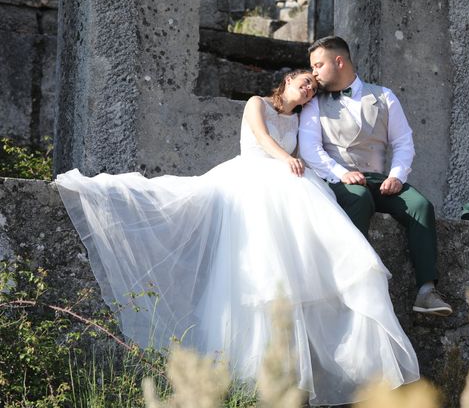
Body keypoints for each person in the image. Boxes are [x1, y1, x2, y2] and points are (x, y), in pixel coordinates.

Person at [55, 69, 420, 406]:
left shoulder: (299, 119)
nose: (309, 89)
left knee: (295, 257)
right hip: (250, 177)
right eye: (304, 81)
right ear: (288, 81)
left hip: (281, 181)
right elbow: (261, 138)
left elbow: (302, 153)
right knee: (246, 259)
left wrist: (297, 162)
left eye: (312, 87)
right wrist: (287, 159)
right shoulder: (256, 103)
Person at [299, 36, 452, 316]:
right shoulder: (313, 103)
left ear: (339, 61)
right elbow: (310, 149)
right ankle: (353, 284)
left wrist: (396, 175)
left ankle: (427, 291)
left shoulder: (384, 95)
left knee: (420, 206)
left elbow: (404, 142)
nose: (314, 73)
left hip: (379, 179)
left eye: (318, 65)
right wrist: (342, 173)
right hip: (337, 180)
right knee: (358, 199)